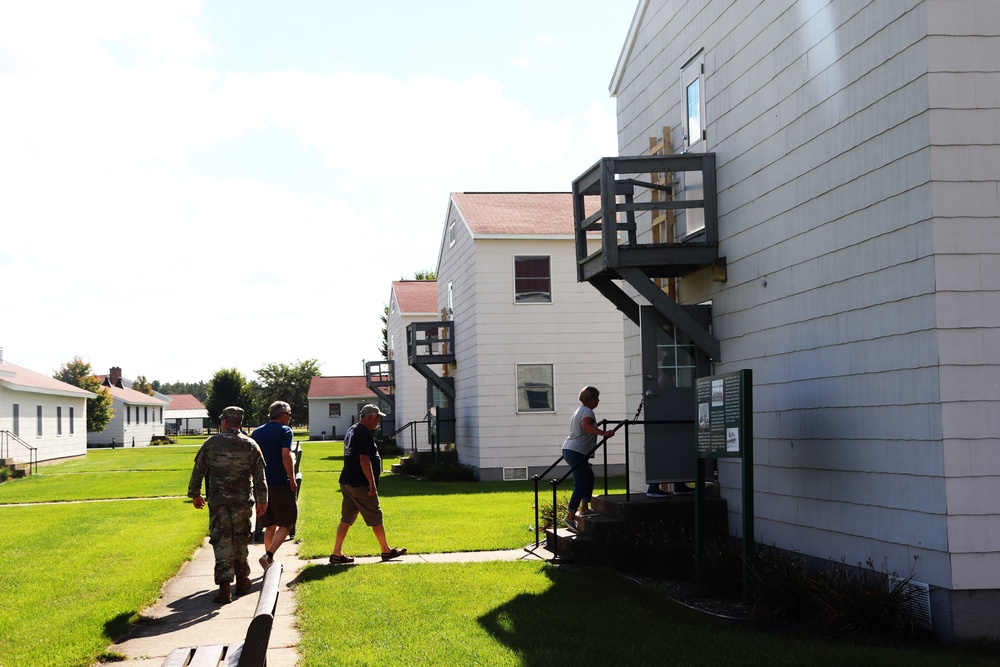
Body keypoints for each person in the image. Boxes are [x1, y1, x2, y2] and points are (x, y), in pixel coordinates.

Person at [188, 406, 268, 603]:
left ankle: (225, 586)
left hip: (219, 502)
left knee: (222, 540)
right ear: (239, 422)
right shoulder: (250, 444)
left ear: (224, 421)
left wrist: (195, 494)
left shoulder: (211, 443)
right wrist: (262, 499)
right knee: (241, 539)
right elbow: (260, 475)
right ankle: (242, 580)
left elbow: (198, 470)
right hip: (242, 502)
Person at [329, 404, 407, 564]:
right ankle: (386, 550)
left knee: (347, 518)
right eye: (378, 417)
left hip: (347, 480)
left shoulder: (353, 429)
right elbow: (364, 459)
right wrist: (372, 483)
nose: (379, 420)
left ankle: (336, 553)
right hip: (359, 483)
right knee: (375, 515)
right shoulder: (363, 432)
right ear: (370, 416)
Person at [252, 401, 298, 571]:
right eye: (289, 414)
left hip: (262, 485)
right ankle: (269, 555)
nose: (290, 417)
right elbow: (286, 456)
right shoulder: (285, 431)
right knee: (287, 522)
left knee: (269, 524)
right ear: (281, 414)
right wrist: (292, 479)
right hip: (280, 483)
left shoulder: (257, 432)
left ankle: (268, 563)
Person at [561, 386, 615, 532]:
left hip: (571, 449)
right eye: (597, 398)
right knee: (581, 482)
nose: (598, 401)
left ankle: (584, 507)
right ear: (591, 400)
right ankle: (570, 517)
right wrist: (604, 433)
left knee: (589, 476)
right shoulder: (587, 412)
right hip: (576, 451)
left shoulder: (580, 410)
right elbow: (586, 427)